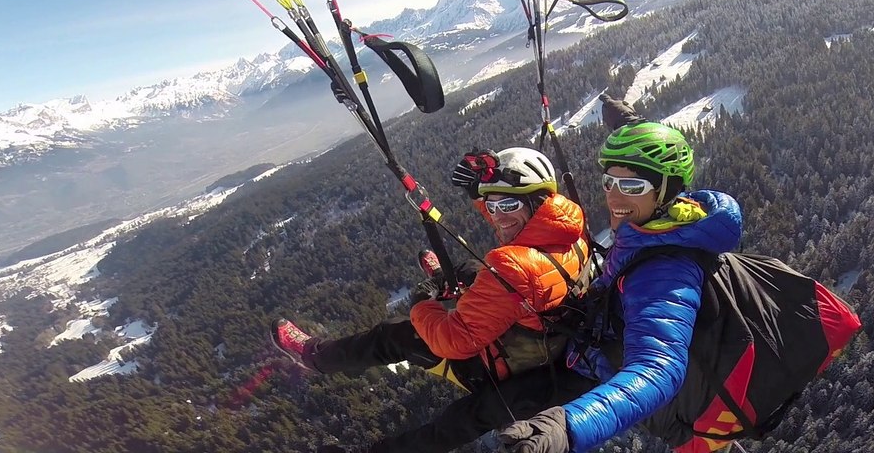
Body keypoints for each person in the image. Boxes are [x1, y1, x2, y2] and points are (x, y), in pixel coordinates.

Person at [270, 147, 595, 453]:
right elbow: (516, 245)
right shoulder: (570, 229)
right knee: (473, 270)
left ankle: (316, 357)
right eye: (492, 205)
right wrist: (481, 192)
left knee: (398, 339)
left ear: (539, 202)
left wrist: (421, 304)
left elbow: (454, 341)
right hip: (548, 348)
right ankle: (447, 277)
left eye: (507, 206)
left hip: (499, 369)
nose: (497, 216)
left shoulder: (512, 264)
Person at [496, 112, 745, 453]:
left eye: (630, 187)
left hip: (678, 422)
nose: (613, 197)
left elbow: (658, 368)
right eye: (608, 182)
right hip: (604, 363)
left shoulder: (664, 270)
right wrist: (631, 124)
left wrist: (568, 427)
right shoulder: (663, 224)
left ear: (666, 189)